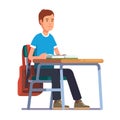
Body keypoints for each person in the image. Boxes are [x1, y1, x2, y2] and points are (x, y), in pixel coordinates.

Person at [28, 9, 90, 109]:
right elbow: (30, 57)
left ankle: (77, 101)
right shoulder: (37, 38)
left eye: (52, 20)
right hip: (40, 70)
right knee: (56, 73)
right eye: (47, 20)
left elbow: (58, 54)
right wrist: (39, 57)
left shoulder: (51, 38)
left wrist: (62, 56)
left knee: (69, 72)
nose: (50, 23)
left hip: (51, 69)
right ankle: (57, 101)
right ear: (41, 21)